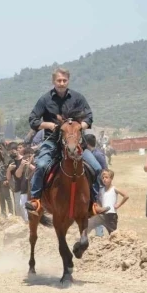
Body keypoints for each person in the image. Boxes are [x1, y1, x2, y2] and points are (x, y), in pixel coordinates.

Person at [25, 67, 105, 215]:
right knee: (41, 165)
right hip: (52, 141)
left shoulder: (78, 98)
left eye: (64, 80)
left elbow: (89, 117)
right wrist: (48, 124)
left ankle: (94, 203)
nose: (61, 83)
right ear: (53, 81)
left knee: (97, 168)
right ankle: (35, 200)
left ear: (68, 80)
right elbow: (33, 120)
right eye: (59, 80)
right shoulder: (45, 99)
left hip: (76, 142)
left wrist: (80, 126)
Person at [87, 169, 129, 235]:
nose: (104, 179)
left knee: (113, 234)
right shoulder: (101, 190)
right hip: (102, 214)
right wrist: (98, 207)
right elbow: (100, 201)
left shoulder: (114, 189)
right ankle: (83, 239)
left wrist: (119, 204)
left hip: (111, 215)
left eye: (106, 177)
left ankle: (115, 243)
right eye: (103, 178)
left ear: (111, 178)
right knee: (89, 225)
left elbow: (126, 196)